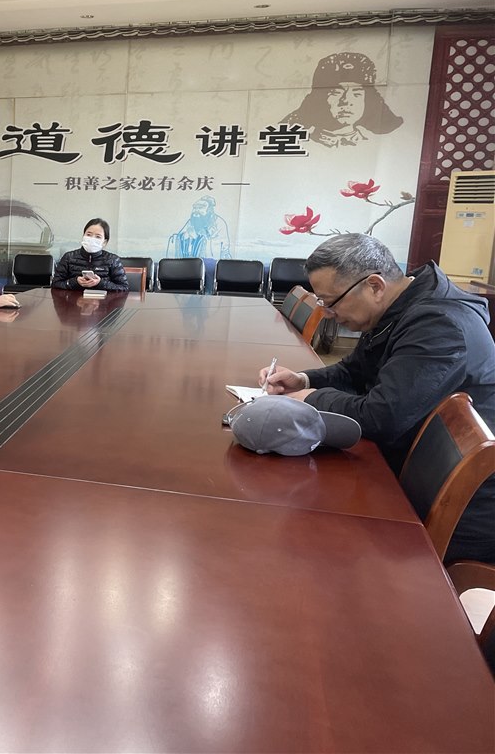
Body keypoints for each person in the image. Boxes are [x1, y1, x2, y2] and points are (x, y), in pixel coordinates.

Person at [260, 233, 495, 563]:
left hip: (459, 510)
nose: (327, 313)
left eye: (331, 302)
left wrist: (312, 399)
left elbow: (381, 417)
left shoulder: (439, 326)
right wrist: (304, 379)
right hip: (411, 468)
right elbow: (355, 370)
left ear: (374, 286)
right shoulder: (400, 306)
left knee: (302, 533)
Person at [282, 52, 403, 148]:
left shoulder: (374, 144)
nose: (346, 101)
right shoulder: (301, 142)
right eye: (336, 93)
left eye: (357, 94)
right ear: (319, 99)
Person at [51, 218, 129, 291]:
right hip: (74, 300)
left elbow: (124, 287)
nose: (92, 239)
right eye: (88, 234)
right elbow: (55, 284)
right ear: (83, 236)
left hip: (103, 300)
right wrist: (75, 282)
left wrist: (100, 283)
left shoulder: (113, 260)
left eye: (98, 237)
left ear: (104, 242)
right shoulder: (68, 257)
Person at [166, 195, 233, 259]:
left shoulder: (218, 222)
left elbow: (217, 248)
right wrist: (184, 236)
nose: (196, 210)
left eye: (200, 208)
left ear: (209, 210)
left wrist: (196, 237)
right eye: (195, 208)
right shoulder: (191, 221)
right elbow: (181, 236)